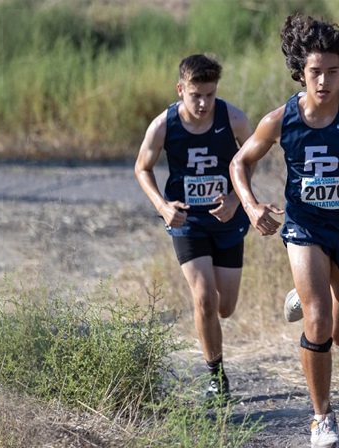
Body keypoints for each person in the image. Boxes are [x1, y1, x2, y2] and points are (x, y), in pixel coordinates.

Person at [230, 14, 339, 448]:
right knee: (320, 321)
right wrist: (251, 207)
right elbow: (240, 162)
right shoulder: (280, 120)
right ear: (300, 72)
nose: (324, 81)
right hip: (305, 226)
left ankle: (305, 295)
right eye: (315, 72)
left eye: (332, 72)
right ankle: (322, 418)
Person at [135, 54, 253, 402]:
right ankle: (217, 375)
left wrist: (235, 197)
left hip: (228, 219)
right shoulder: (162, 125)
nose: (203, 103)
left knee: (224, 306)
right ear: (180, 90)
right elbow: (143, 168)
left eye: (210, 95)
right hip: (187, 222)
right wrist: (163, 206)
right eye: (195, 95)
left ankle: (212, 327)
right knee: (203, 298)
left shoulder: (233, 118)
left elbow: (250, 158)